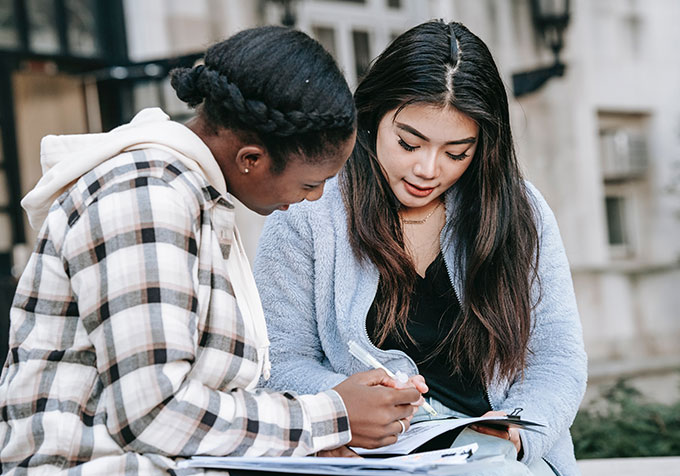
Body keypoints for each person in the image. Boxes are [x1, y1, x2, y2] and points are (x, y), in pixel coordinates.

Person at [0, 26, 423, 475]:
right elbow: (153, 414)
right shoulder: (146, 199)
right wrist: (331, 416)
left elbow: (204, 399)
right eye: (310, 182)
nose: (316, 198)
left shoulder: (191, 196)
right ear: (251, 159)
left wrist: (311, 437)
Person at [254, 20, 588, 476]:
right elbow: (279, 360)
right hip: (367, 458)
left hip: (499, 458)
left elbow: (557, 356)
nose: (428, 169)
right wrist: (347, 404)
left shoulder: (520, 210)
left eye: (456, 153)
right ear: (372, 116)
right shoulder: (309, 206)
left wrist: (517, 429)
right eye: (409, 143)